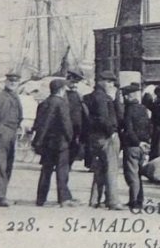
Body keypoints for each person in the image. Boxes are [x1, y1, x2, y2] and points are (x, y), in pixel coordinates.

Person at [32, 78, 79, 207]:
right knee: (61, 170)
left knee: (46, 170)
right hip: (60, 142)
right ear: (61, 89)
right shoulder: (61, 103)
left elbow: (38, 123)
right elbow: (66, 123)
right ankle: (63, 199)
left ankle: (41, 198)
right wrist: (70, 138)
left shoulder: (44, 103)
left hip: (47, 142)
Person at [85, 71, 123, 210]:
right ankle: (113, 201)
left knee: (99, 168)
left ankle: (94, 200)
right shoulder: (103, 98)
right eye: (109, 81)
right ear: (101, 81)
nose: (111, 84)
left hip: (95, 137)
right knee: (111, 169)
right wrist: (111, 132)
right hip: (106, 137)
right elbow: (104, 118)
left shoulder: (90, 96)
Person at [0, 71, 24, 207]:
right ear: (6, 82)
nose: (13, 83)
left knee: (8, 164)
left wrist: (19, 127)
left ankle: (2, 193)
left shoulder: (16, 97)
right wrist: (1, 131)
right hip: (3, 133)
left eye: (16, 82)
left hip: (13, 132)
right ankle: (0, 196)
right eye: (11, 81)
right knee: (1, 165)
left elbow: (19, 115)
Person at [119, 83, 151, 209]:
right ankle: (140, 199)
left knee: (131, 175)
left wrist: (136, 142)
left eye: (124, 95)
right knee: (138, 174)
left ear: (128, 96)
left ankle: (134, 201)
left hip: (132, 145)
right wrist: (145, 141)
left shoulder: (129, 110)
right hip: (143, 145)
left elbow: (128, 129)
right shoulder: (143, 108)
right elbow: (149, 126)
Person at [64, 70, 87, 165]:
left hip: (76, 127)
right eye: (72, 82)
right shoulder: (63, 93)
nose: (74, 85)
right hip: (66, 126)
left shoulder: (78, 94)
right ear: (68, 79)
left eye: (76, 83)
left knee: (74, 148)